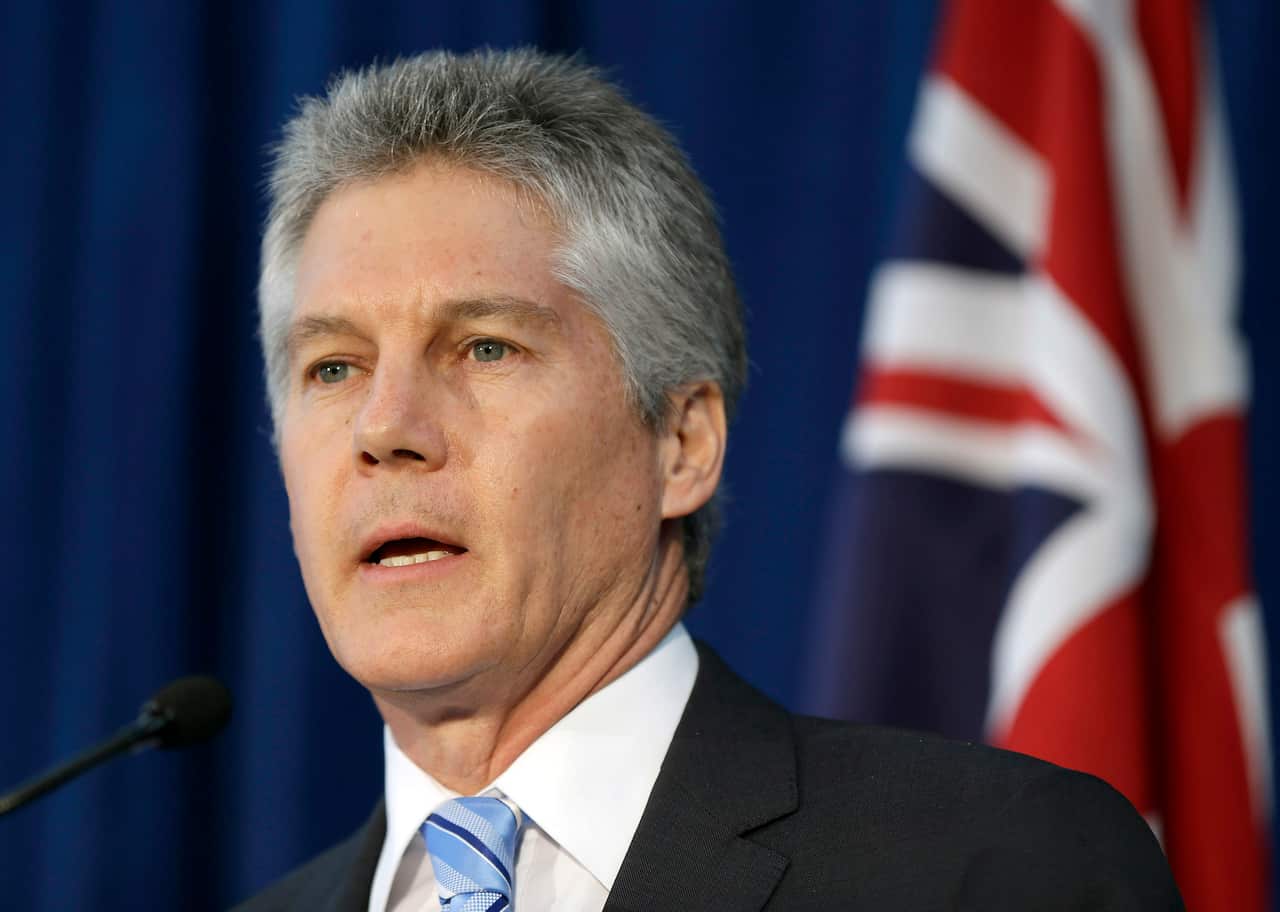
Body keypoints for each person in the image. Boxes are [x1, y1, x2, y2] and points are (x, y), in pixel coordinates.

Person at [234, 49, 1181, 911]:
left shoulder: (993, 867)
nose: (384, 428)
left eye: (485, 347)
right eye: (333, 367)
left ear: (682, 442)